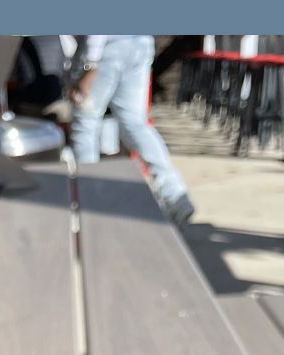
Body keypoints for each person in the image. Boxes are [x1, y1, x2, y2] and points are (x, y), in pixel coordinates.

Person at [69, 35, 195, 225]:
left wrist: (90, 64)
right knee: (135, 123)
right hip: (139, 43)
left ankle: (89, 198)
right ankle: (174, 194)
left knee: (85, 124)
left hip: (107, 48)